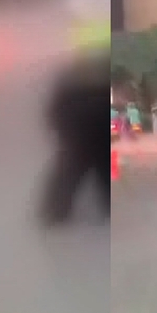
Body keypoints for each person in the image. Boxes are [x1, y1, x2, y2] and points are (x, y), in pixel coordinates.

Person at [39, 18, 111, 226]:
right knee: (91, 170)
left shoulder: (72, 74)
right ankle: (56, 214)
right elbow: (57, 106)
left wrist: (58, 126)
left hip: (80, 128)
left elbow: (57, 106)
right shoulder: (83, 75)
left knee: (70, 171)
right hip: (88, 127)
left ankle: (54, 214)